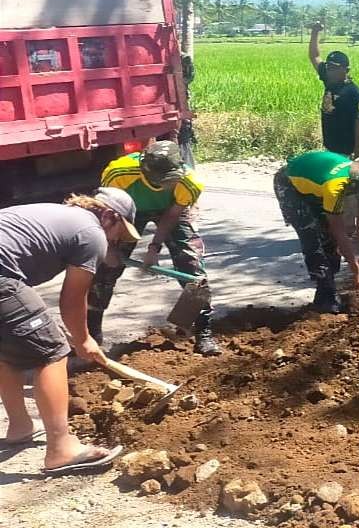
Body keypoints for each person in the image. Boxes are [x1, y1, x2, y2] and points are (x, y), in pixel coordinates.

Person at [0, 188, 139, 473]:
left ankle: (20, 427)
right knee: (51, 353)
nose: (115, 241)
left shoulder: (61, 215)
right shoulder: (92, 233)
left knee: (8, 348)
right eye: (119, 233)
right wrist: (83, 340)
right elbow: (73, 300)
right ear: (110, 217)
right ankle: (61, 449)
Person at [89, 140, 220, 356]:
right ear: (146, 171)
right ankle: (93, 336)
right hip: (126, 212)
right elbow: (109, 215)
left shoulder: (189, 182)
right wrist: (111, 248)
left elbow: (172, 214)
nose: (168, 184)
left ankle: (202, 333)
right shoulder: (119, 173)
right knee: (106, 270)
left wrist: (154, 248)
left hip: (168, 210)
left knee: (192, 269)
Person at [273, 150, 359, 313]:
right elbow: (338, 231)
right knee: (313, 239)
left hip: (317, 184)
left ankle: (325, 292)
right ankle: (327, 299)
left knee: (330, 243)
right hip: (290, 185)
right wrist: (356, 270)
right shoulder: (335, 187)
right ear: (356, 188)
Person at [308, 21, 359, 159]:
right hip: (329, 146)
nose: (330, 71)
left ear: (346, 70)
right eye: (329, 68)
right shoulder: (329, 80)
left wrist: (357, 150)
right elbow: (314, 56)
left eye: (334, 68)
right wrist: (315, 32)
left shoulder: (353, 92)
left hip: (345, 149)